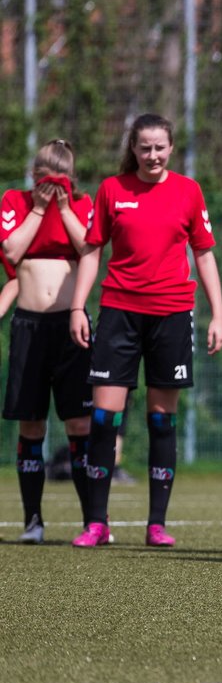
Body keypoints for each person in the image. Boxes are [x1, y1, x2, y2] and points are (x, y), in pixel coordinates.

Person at [69, 114, 222, 548]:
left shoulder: (188, 191)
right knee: (103, 418)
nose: (152, 155)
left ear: (171, 148)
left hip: (172, 315)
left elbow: (205, 254)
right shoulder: (111, 190)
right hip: (119, 312)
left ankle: (157, 523)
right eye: (145, 148)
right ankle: (96, 523)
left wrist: (218, 314)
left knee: (161, 420)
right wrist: (78, 306)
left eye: (160, 147)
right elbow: (91, 251)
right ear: (133, 149)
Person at [1, 139, 93, 543]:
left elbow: (87, 245)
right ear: (32, 176)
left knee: (79, 422)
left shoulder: (82, 204)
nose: (49, 186)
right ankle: (33, 520)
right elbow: (12, 248)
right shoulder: (15, 201)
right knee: (31, 424)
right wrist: (39, 208)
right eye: (42, 179)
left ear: (71, 180)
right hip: (29, 326)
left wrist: (64, 206)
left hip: (71, 327)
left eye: (58, 181)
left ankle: (93, 521)